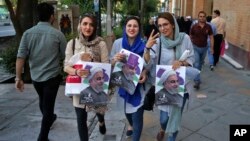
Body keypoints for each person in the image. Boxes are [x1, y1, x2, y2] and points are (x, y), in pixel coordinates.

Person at [15, 2, 67, 141]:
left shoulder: (27, 34)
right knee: (48, 107)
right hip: (52, 78)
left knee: (43, 100)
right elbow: (65, 56)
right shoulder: (58, 35)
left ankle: (50, 118)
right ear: (52, 17)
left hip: (36, 78)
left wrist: (18, 78)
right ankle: (42, 137)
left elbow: (21, 57)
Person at [144, 12, 195, 141]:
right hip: (164, 86)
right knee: (164, 119)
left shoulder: (185, 39)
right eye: (160, 26)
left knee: (175, 116)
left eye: (165, 24)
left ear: (172, 24)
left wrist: (182, 63)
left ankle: (171, 137)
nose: (162, 28)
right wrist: (147, 49)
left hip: (182, 85)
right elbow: (148, 64)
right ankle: (163, 128)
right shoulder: (158, 42)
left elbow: (192, 58)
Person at [64, 13, 109, 141]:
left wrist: (92, 60)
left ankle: (101, 120)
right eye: (85, 24)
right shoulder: (72, 44)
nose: (88, 27)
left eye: (91, 25)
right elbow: (66, 66)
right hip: (79, 87)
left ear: (95, 27)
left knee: (99, 110)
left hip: (96, 86)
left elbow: (106, 66)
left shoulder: (101, 44)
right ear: (79, 26)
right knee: (80, 118)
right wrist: (77, 71)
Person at [110, 16, 148, 141]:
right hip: (122, 86)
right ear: (125, 27)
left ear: (139, 28)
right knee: (127, 112)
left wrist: (145, 71)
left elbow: (149, 64)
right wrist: (114, 60)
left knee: (137, 116)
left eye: (135, 26)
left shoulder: (144, 44)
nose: (132, 28)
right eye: (129, 25)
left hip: (139, 87)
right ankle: (130, 125)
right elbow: (111, 63)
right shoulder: (118, 43)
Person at [189, 11, 214, 90]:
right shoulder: (194, 26)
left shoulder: (208, 27)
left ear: (205, 17)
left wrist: (212, 48)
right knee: (196, 64)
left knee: (200, 64)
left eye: (203, 16)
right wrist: (190, 46)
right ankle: (197, 81)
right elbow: (190, 36)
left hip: (204, 48)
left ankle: (197, 75)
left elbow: (211, 37)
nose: (202, 18)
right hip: (195, 47)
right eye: (200, 16)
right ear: (198, 17)